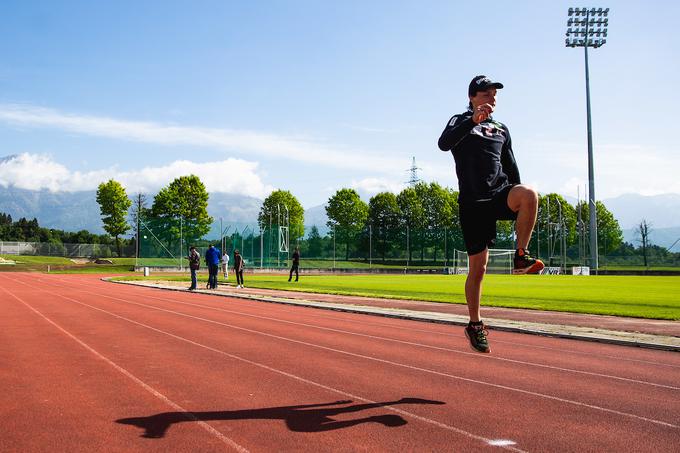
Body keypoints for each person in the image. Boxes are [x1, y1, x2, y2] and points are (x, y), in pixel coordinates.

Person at [438, 75, 544, 353]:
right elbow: (444, 143)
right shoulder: (459, 121)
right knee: (478, 269)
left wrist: (516, 192)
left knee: (529, 194)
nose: (492, 98)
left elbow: (511, 165)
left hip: (499, 194)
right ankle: (475, 324)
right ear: (473, 97)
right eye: (486, 94)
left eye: (494, 95)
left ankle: (521, 257)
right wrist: (472, 121)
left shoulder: (501, 128)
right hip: (473, 203)